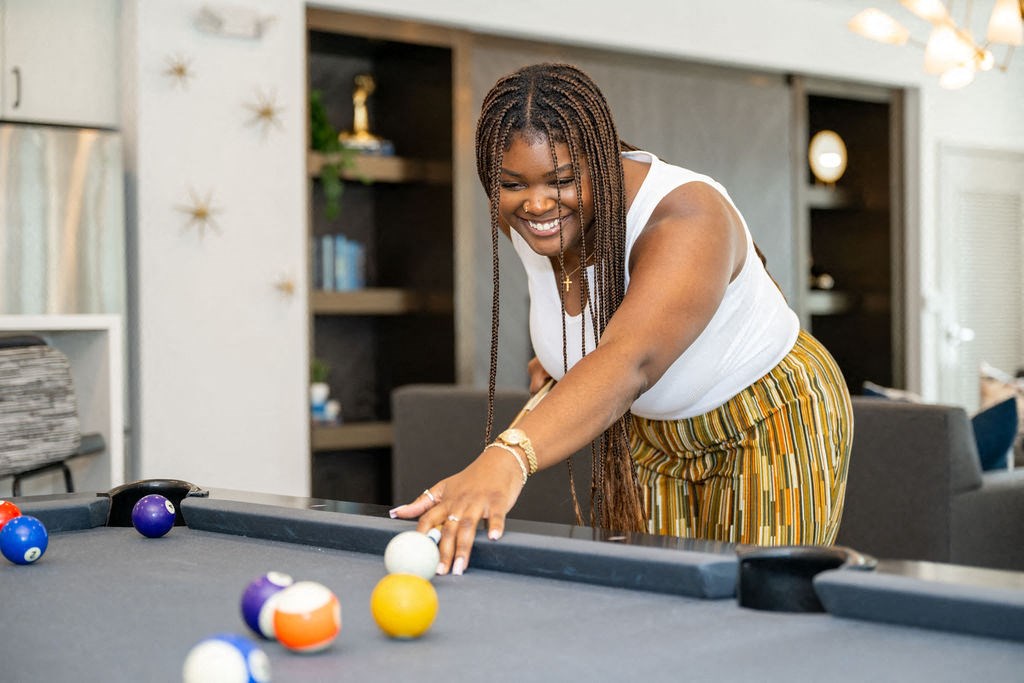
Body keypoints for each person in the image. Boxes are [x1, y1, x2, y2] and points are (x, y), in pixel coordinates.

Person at [390, 63, 853, 576]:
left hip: (767, 419)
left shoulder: (685, 214)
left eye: (562, 180)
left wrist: (507, 458)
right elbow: (590, 325)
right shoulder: (535, 219)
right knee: (655, 603)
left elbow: (630, 359)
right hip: (649, 433)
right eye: (512, 183)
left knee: (754, 606)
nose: (538, 202)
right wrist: (560, 362)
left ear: (604, 161)